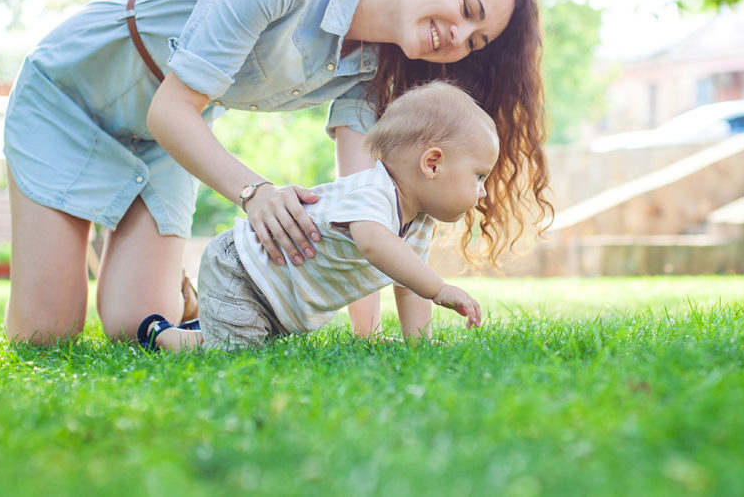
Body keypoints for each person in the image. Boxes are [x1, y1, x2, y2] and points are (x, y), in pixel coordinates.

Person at [3, 0, 550, 345]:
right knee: (45, 335)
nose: (457, 37)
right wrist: (256, 193)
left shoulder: (371, 73)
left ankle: (186, 290)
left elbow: (366, 205)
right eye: (466, 10)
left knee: (131, 326)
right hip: (69, 98)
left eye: (474, 42)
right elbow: (171, 111)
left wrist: (371, 338)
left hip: (160, 144)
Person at [140, 81, 491, 352]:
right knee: (237, 358)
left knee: (245, 345)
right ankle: (163, 338)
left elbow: (410, 286)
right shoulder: (374, 193)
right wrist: (439, 288)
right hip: (242, 272)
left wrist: (421, 346)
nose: (483, 191)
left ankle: (200, 330)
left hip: (279, 301)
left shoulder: (420, 224)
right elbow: (373, 243)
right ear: (432, 163)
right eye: (479, 176)